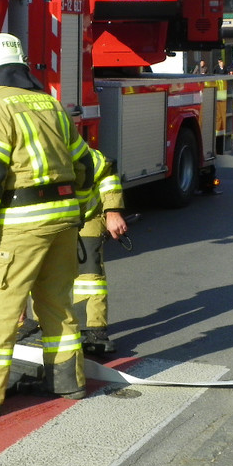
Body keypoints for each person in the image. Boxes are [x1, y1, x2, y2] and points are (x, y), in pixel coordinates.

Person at [0, 33, 96, 416]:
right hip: (63, 220)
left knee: (0, 307)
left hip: (21, 224)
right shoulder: (51, 103)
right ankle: (67, 381)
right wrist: (81, 210)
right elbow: (85, 165)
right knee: (57, 303)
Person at [74, 149, 128, 355]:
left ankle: (92, 330)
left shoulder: (68, 145)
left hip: (85, 216)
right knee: (44, 276)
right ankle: (45, 328)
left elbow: (105, 169)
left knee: (89, 273)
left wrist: (112, 211)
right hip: (45, 223)